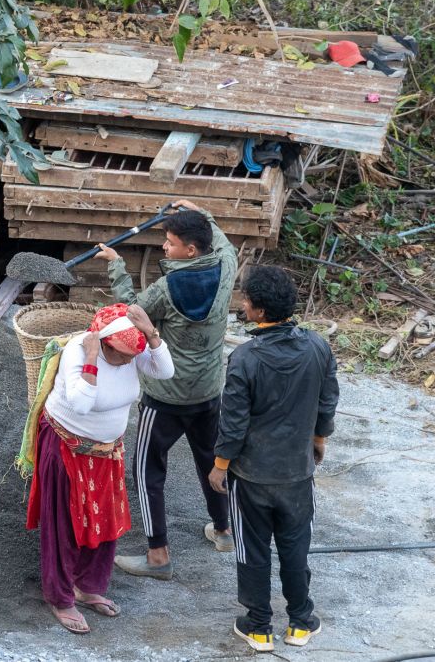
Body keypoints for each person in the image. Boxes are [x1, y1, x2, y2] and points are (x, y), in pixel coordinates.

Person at [95, 200, 235, 580]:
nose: (164, 248)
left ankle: (158, 556)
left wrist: (116, 265)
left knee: (147, 471)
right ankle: (224, 531)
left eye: (171, 243)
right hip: (208, 391)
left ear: (190, 250)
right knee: (212, 460)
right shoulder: (225, 267)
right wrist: (202, 212)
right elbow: (223, 241)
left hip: (167, 397)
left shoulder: (165, 288)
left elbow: (132, 315)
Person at [208, 266, 338, 652]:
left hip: (251, 477)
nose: (242, 305)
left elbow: (232, 422)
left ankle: (259, 626)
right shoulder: (317, 346)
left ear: (260, 311)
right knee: (296, 547)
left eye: (246, 300)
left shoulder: (245, 358)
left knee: (253, 549)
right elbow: (327, 401)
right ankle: (301, 621)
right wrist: (318, 440)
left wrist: (220, 466)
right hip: (297, 474)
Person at [26, 303, 175, 634]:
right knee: (64, 525)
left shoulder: (132, 352)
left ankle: (87, 586)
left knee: (105, 521)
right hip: (68, 448)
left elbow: (165, 372)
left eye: (130, 356)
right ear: (102, 342)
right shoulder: (78, 352)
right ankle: (60, 597)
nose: (126, 362)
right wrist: (92, 359)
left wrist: (150, 332)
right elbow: (80, 404)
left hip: (107, 453)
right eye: (119, 355)